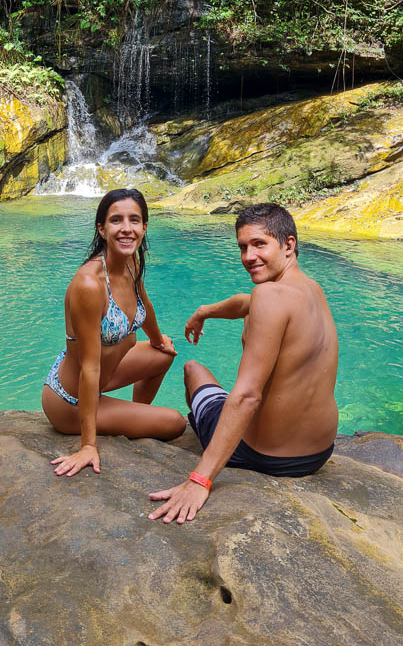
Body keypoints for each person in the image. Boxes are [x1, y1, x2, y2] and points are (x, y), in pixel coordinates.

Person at [148, 203, 339, 524]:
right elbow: (245, 304)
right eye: (243, 247)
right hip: (319, 453)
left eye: (259, 244)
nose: (248, 256)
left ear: (289, 245)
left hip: (267, 458)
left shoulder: (269, 296)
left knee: (193, 370)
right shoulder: (311, 290)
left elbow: (248, 396)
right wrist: (204, 311)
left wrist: (200, 480)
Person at [42, 188, 186, 476]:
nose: (126, 229)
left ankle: (132, 416)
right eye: (116, 220)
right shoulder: (89, 285)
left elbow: (143, 301)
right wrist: (88, 446)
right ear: (102, 228)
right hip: (72, 398)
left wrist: (158, 340)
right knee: (175, 423)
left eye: (134, 220)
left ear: (145, 226)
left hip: (105, 375)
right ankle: (121, 419)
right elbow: (90, 367)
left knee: (164, 355)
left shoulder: (130, 261)